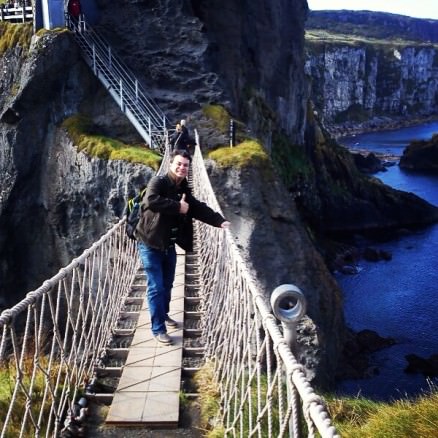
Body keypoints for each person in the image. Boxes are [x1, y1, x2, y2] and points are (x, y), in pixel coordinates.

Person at [135, 149, 230, 345]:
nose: (182, 167)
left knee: (168, 284)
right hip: (149, 243)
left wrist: (220, 221)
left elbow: (196, 207)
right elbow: (150, 200)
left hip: (169, 244)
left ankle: (165, 314)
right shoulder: (159, 182)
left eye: (185, 165)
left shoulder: (183, 188)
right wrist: (178, 207)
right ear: (171, 164)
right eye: (178, 164)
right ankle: (158, 328)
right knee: (156, 287)